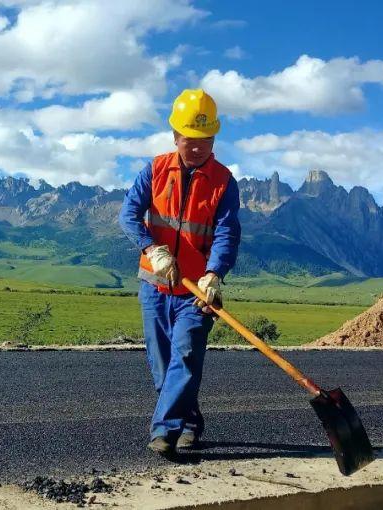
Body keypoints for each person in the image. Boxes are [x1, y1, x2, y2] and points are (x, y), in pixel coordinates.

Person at [118, 89, 241, 457]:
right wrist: (151, 248)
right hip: (155, 286)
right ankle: (188, 422)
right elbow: (128, 215)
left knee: (184, 357)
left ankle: (164, 430)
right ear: (176, 137)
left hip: (196, 292)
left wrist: (214, 274)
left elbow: (226, 232)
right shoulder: (154, 170)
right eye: (191, 140)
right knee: (162, 366)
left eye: (206, 140)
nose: (199, 148)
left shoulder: (224, 181)